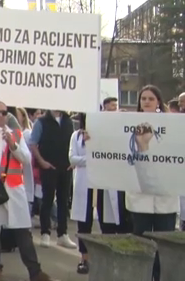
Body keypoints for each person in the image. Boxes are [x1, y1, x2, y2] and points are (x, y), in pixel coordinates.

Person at [0, 101, 51, 281]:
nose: (1, 116)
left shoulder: (16, 134)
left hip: (14, 187)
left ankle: (35, 271)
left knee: (22, 231)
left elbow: (26, 159)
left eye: (4, 113)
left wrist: (13, 144)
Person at [125, 85, 176, 281]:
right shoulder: (127, 125)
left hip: (165, 198)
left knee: (164, 244)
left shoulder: (173, 126)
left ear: (158, 102)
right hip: (141, 198)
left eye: (151, 98)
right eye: (143, 98)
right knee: (142, 242)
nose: (146, 102)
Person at [70, 110, 122, 275]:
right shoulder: (77, 136)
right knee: (84, 224)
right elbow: (72, 159)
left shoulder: (108, 136)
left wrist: (94, 155)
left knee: (107, 223)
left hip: (104, 185)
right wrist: (93, 157)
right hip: (85, 184)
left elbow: (111, 157)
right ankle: (84, 258)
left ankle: (109, 259)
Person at [27, 108, 78, 249]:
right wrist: (42, 162)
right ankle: (45, 233)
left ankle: (63, 234)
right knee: (47, 200)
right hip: (48, 167)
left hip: (65, 167)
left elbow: (73, 143)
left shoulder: (68, 121)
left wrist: (72, 161)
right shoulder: (41, 121)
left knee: (63, 201)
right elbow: (33, 143)